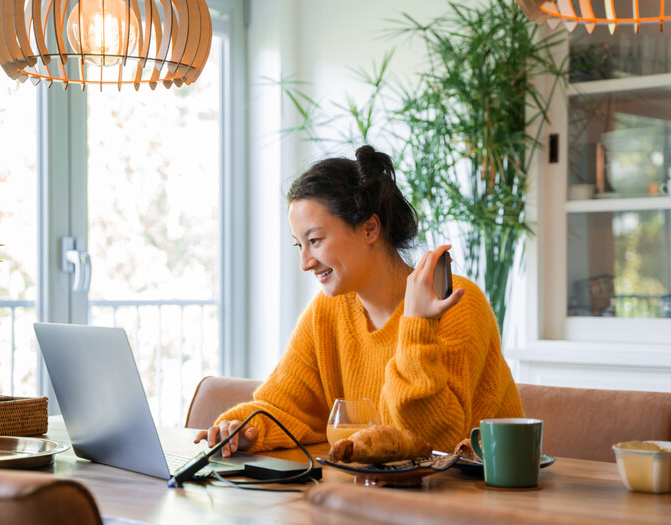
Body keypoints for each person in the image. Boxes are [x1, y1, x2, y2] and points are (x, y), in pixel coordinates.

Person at [194, 145, 523, 457]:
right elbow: (285, 406)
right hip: (370, 495)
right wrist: (243, 429)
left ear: (369, 229)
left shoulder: (455, 304)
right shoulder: (328, 311)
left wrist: (417, 326)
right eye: (299, 245)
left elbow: (433, 440)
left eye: (316, 240)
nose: (305, 262)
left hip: (470, 501)